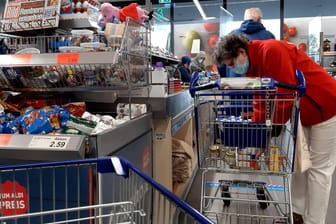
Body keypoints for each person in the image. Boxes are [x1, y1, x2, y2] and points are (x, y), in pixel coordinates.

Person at [213, 33, 336, 224]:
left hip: (326, 105)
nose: (233, 69)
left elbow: (285, 95)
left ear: (240, 51)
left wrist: (270, 131)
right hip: (306, 111)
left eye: (231, 64)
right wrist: (259, 134)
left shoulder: (271, 51)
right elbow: (260, 101)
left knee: (319, 170)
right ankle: (295, 215)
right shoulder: (253, 65)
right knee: (301, 165)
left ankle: (314, 221)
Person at [218, 7, 275, 77]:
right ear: (260, 19)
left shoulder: (231, 35)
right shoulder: (268, 36)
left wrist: (225, 80)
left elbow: (222, 63)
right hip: (258, 82)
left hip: (232, 82)